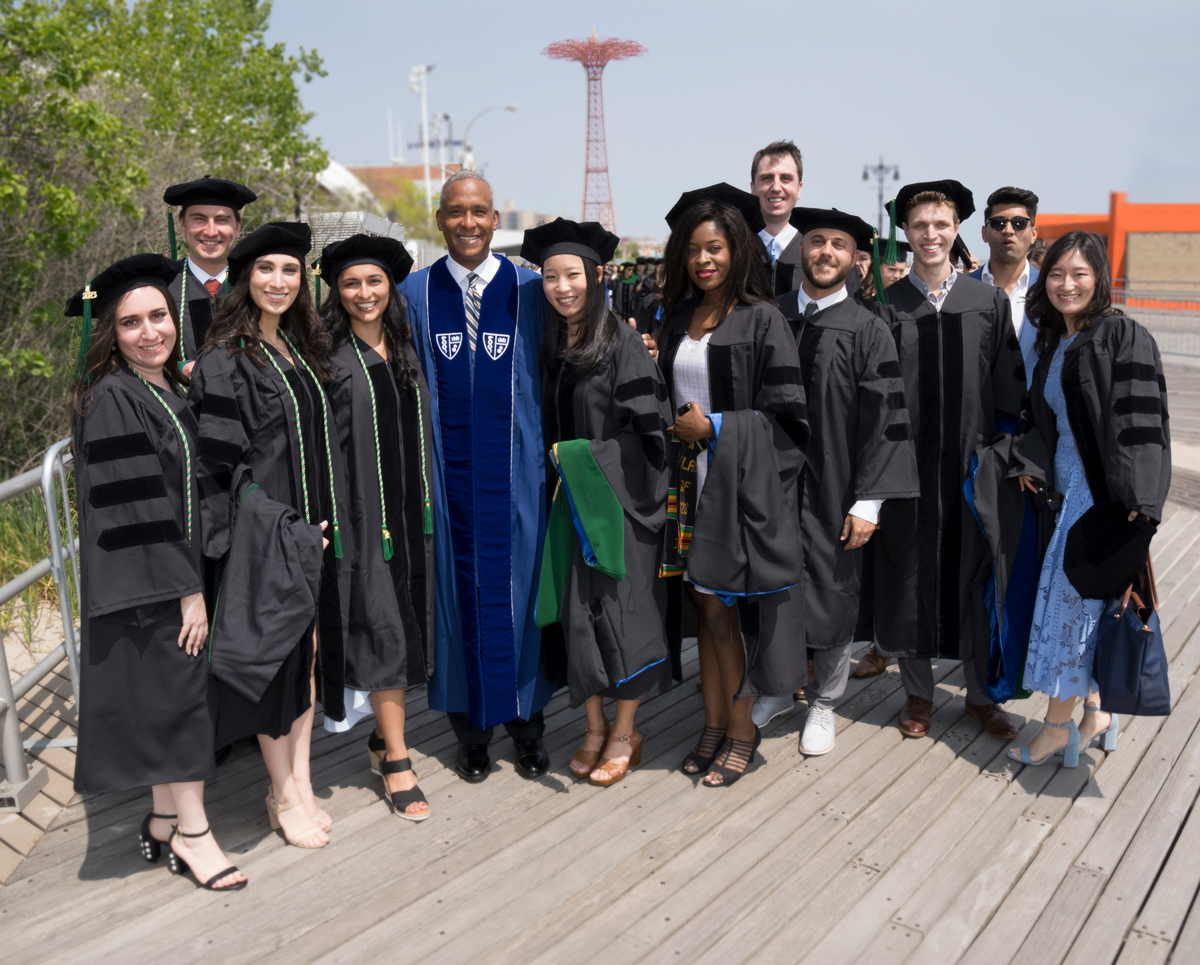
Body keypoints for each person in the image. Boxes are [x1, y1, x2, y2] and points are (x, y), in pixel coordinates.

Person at [68, 254, 245, 891]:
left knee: (175, 697)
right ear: (110, 335)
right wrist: (187, 591)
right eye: (131, 322)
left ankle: (166, 818)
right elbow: (137, 506)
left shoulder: (162, 386)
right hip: (152, 581)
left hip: (170, 569)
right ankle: (196, 836)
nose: (150, 331)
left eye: (159, 316)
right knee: (176, 704)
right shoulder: (113, 397)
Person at [190, 221, 348, 850]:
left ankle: (301, 782)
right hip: (267, 540)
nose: (277, 282)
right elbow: (218, 469)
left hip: (312, 534)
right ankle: (281, 790)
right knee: (277, 663)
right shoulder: (224, 360)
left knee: (305, 661)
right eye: (264, 270)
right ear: (243, 278)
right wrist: (250, 543)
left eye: (288, 270)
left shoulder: (299, 351)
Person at [398, 171, 554, 783]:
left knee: (520, 592)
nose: (468, 223)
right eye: (456, 212)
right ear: (439, 220)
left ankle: (529, 726)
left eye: (480, 212)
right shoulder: (414, 293)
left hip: (517, 472)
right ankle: (471, 734)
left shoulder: (531, 290)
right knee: (457, 598)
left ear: (496, 221)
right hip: (448, 475)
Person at [658, 183, 809, 787]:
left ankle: (742, 732)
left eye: (715, 248)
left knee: (733, 614)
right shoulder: (674, 318)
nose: (704, 260)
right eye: (694, 249)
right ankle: (714, 723)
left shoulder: (762, 319)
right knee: (706, 612)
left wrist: (715, 426)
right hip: (686, 485)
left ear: (737, 250)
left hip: (737, 491)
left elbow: (789, 419)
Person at [760, 210, 920, 754]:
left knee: (831, 590)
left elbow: (886, 420)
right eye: (817, 242)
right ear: (802, 250)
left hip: (836, 485)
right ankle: (778, 687)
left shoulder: (868, 327)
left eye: (839, 245)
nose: (826, 252)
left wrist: (870, 502)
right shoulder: (770, 315)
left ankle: (825, 703)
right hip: (772, 485)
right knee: (774, 587)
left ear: (855, 259)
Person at [873, 180, 1027, 740]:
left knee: (977, 576)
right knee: (908, 574)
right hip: (907, 468)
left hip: (971, 469)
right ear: (906, 234)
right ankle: (917, 694)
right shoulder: (886, 307)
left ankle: (982, 696)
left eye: (940, 224)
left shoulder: (986, 303)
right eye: (920, 226)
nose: (930, 234)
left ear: (956, 228)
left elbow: (1009, 393)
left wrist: (1000, 459)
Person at [1009, 231, 1171, 764]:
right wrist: (1031, 464)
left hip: (1101, 495)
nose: (1066, 284)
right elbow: (1042, 416)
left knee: (1069, 603)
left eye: (1079, 273)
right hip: (1064, 490)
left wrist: (1140, 503)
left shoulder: (1122, 335)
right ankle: (1096, 708)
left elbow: (1142, 424)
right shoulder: (1057, 338)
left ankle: (1057, 727)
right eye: (1056, 274)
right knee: (1088, 603)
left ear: (1100, 277)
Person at [524, 218, 674, 787]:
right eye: (551, 277)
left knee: (621, 612)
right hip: (562, 506)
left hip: (615, 504)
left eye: (573, 275)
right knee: (576, 618)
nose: (562, 287)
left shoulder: (622, 341)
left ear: (595, 275)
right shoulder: (547, 341)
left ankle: (624, 730)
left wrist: (585, 460)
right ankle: (591, 727)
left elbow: (650, 434)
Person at [319, 234, 435, 820]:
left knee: (410, 623)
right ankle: (396, 759)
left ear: (390, 287)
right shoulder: (327, 359)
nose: (364, 293)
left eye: (374, 281)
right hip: (364, 520)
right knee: (384, 629)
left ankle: (380, 737)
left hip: (414, 516)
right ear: (335, 292)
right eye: (350, 283)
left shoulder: (405, 346)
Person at [163, 177, 256, 372]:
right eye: (199, 219)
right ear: (182, 224)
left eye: (222, 220)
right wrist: (178, 370)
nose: (211, 231)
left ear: (238, 227)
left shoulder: (258, 287)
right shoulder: (161, 288)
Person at [971, 187, 1041, 387]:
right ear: (984, 233)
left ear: (1034, 233)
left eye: (1019, 223)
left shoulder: (1050, 291)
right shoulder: (961, 290)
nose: (1008, 230)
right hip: (975, 411)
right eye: (998, 223)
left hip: (1032, 414)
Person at [749, 140, 802, 296]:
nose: (776, 187)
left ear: (799, 189)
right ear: (752, 188)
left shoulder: (816, 254)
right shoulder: (735, 249)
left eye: (786, 178)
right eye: (767, 178)